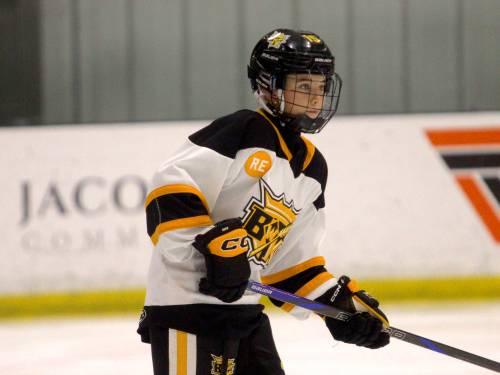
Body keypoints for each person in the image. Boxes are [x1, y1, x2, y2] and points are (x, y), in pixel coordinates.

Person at [137, 28, 390, 375]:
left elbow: (289, 263)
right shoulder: (243, 131)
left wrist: (336, 304)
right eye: (303, 86)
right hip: (187, 309)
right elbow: (169, 188)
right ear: (269, 86)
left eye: (320, 88)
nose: (315, 99)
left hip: (245, 314)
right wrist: (209, 249)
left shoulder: (313, 168)